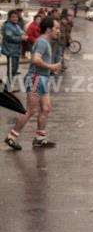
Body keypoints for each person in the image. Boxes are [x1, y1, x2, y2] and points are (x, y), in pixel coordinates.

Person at [4, 17, 62, 150]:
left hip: (42, 79)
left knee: (46, 108)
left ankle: (39, 139)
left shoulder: (45, 42)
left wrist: (51, 69)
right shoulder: (42, 42)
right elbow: (36, 60)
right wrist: (51, 66)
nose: (58, 31)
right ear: (48, 29)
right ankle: (11, 137)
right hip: (35, 78)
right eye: (56, 28)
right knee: (31, 110)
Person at [1, 10, 27, 92]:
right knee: (12, 69)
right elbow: (9, 37)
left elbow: (22, 32)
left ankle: (8, 86)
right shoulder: (8, 26)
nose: (15, 18)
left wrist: (23, 35)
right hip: (10, 51)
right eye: (13, 17)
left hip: (16, 50)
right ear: (9, 18)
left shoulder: (16, 25)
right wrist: (21, 38)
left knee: (15, 69)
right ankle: (8, 87)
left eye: (16, 17)